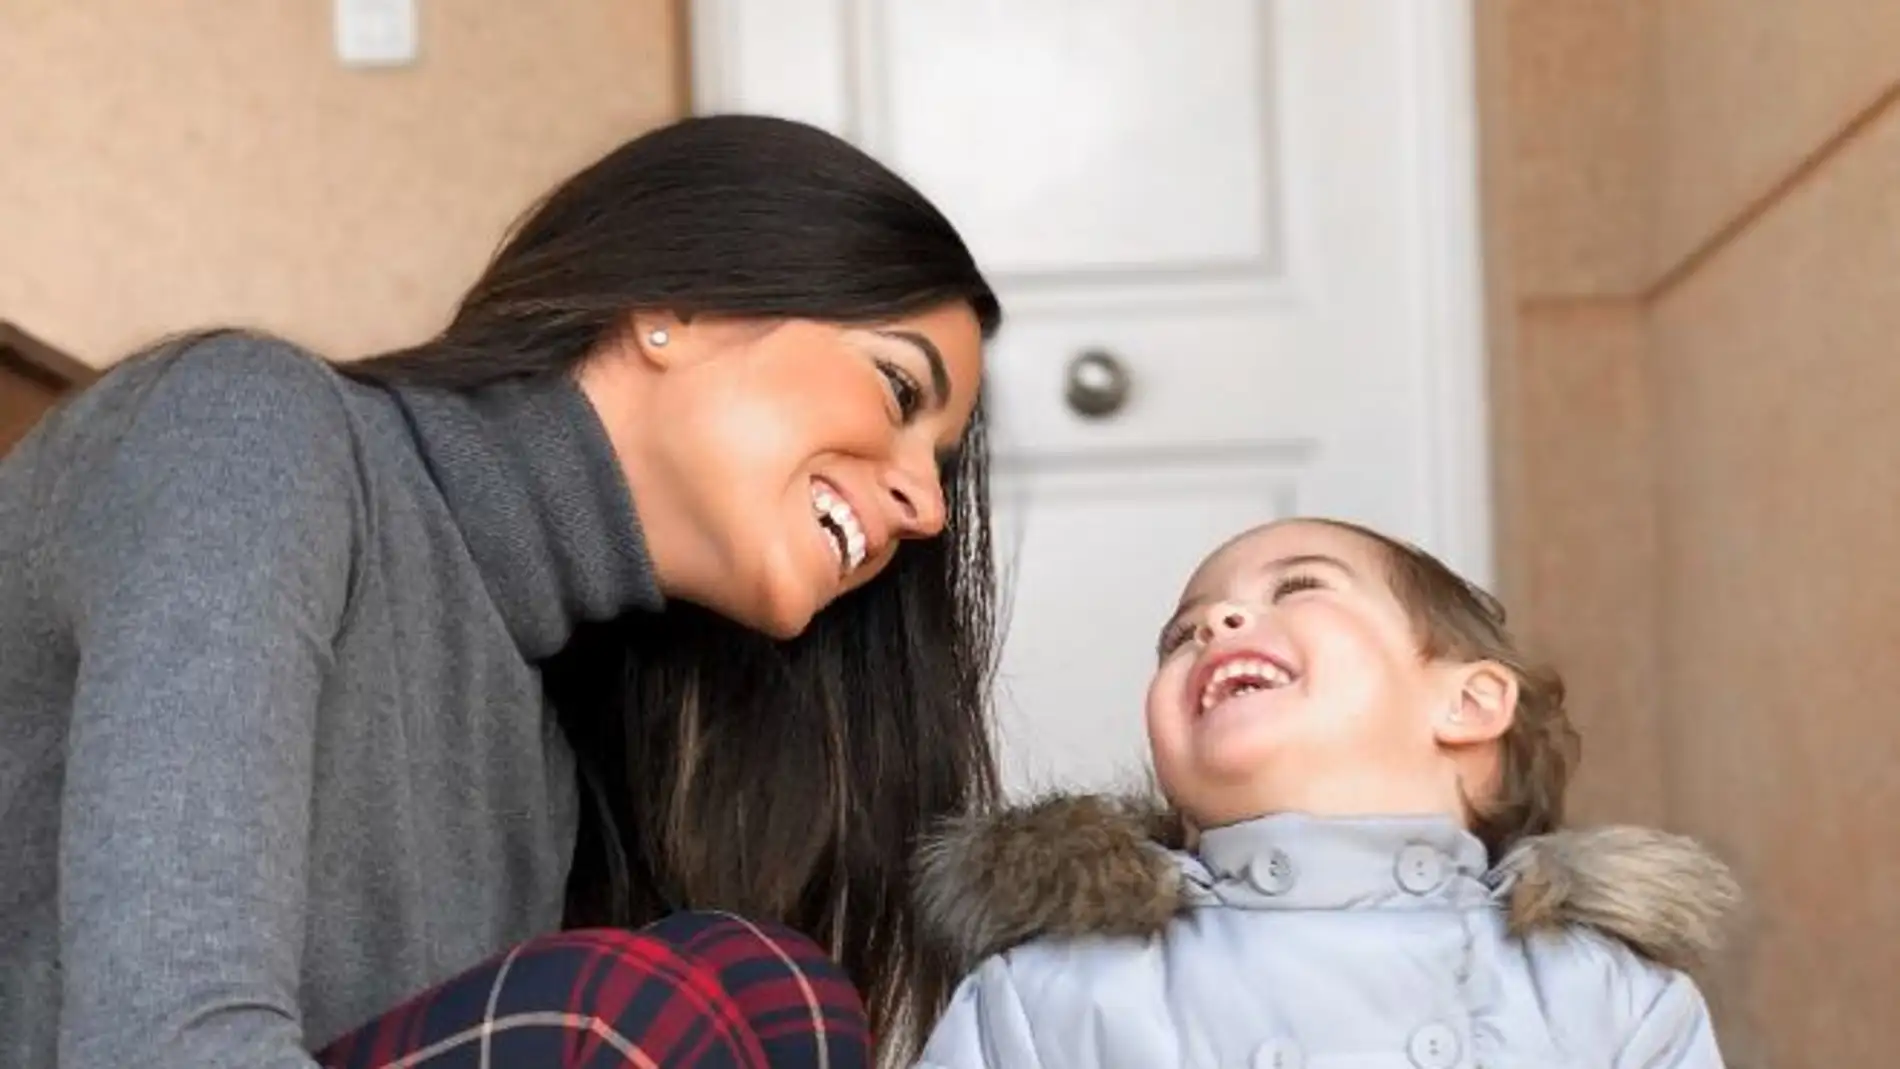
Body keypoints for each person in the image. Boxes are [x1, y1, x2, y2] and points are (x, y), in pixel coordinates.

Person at [0, 114, 1003, 1068]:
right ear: (674, 310)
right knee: (653, 1011)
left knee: (780, 991)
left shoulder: (544, 752)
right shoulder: (249, 434)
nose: (927, 508)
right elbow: (159, 1048)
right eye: (899, 390)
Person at [910, 518, 1741, 1069]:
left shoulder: (1605, 996)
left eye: (1298, 586)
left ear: (1469, 703)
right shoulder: (1048, 993)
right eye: (1180, 634)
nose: (1218, 623)